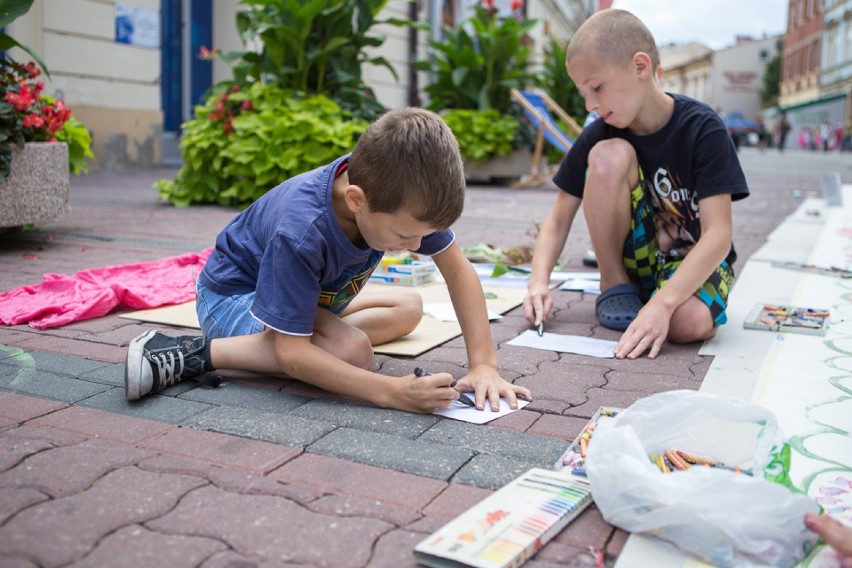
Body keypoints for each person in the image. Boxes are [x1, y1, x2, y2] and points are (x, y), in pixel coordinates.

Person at [125, 107, 532, 414]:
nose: (414, 245)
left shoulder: (400, 192)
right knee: (354, 352)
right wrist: (393, 393)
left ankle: (315, 337)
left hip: (307, 297)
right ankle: (191, 352)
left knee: (409, 307)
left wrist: (484, 366)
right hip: (232, 301)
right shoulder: (302, 231)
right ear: (357, 200)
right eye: (404, 236)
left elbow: (458, 271)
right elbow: (292, 355)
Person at [523, 9, 749, 360]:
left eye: (596, 87)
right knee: (608, 155)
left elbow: (719, 235)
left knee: (687, 325)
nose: (590, 105)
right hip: (634, 267)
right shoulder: (601, 131)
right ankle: (614, 284)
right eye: (583, 92)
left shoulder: (703, 129)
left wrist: (663, 304)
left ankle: (658, 300)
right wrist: (538, 282)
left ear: (640, 67)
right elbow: (558, 219)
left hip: (690, 261)